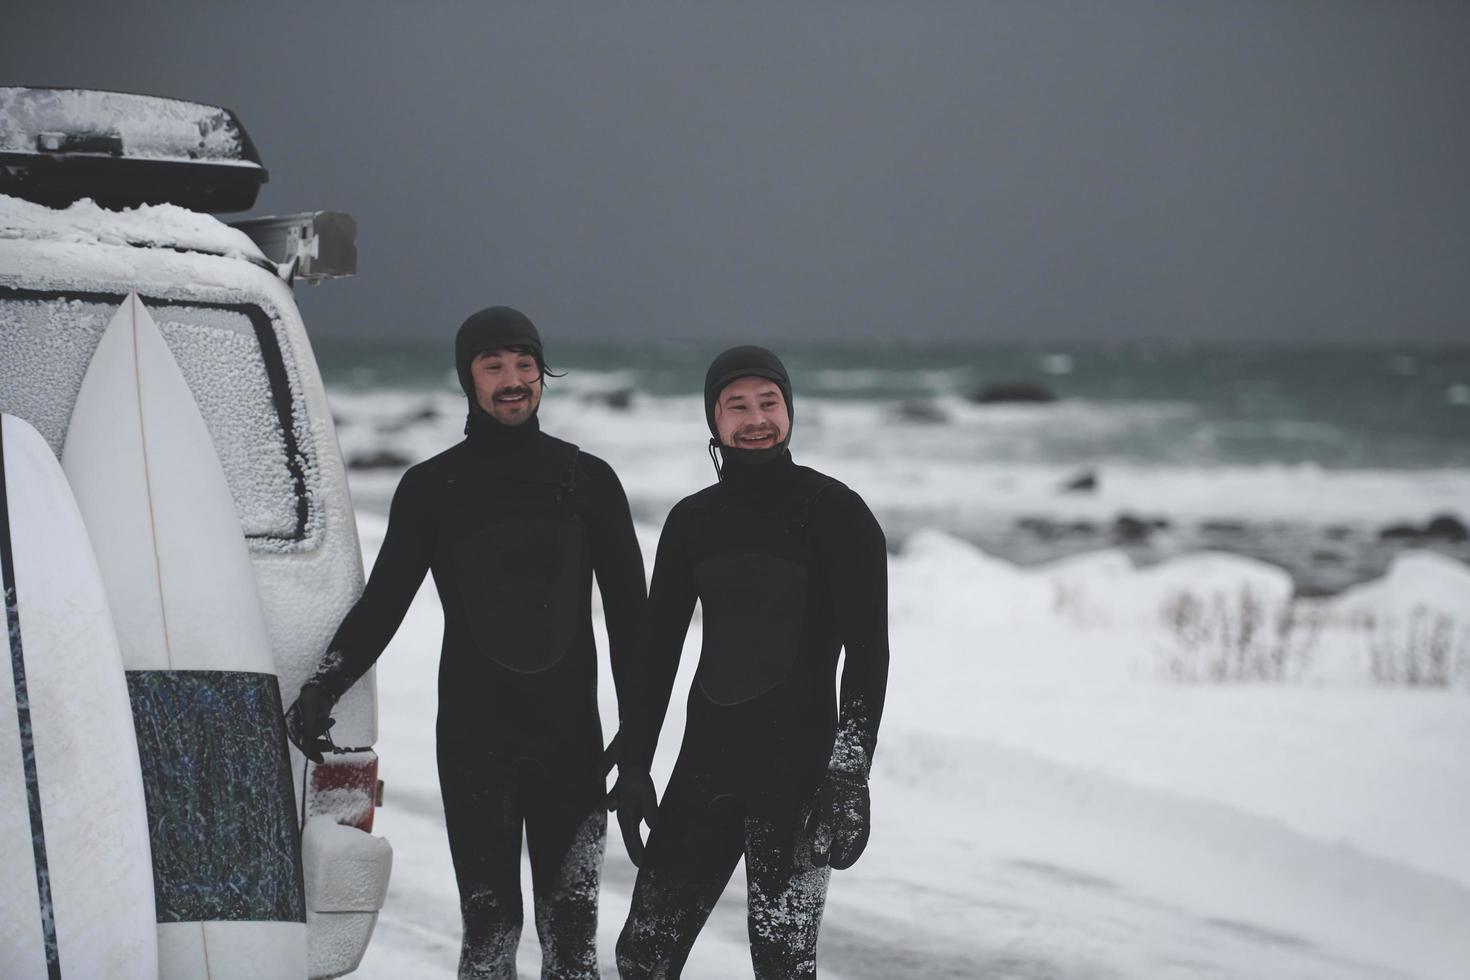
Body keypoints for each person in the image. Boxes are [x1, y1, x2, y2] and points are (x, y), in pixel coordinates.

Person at [285, 306, 646, 979]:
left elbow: (633, 621)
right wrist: (324, 681)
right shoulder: (432, 488)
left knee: (572, 942)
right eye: (494, 365)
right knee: (489, 933)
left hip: (573, 743)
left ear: (541, 373)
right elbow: (384, 603)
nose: (513, 379)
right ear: (468, 377)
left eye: (524, 363)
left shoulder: (588, 481)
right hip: (475, 743)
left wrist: (639, 742)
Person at [608, 346, 889, 979]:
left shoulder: (838, 513)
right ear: (713, 419)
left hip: (800, 777)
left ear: (790, 409)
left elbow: (868, 655)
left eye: (770, 402)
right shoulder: (691, 522)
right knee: (643, 956)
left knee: (783, 964)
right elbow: (659, 653)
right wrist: (634, 758)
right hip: (706, 767)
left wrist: (848, 776)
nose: (756, 418)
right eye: (737, 405)